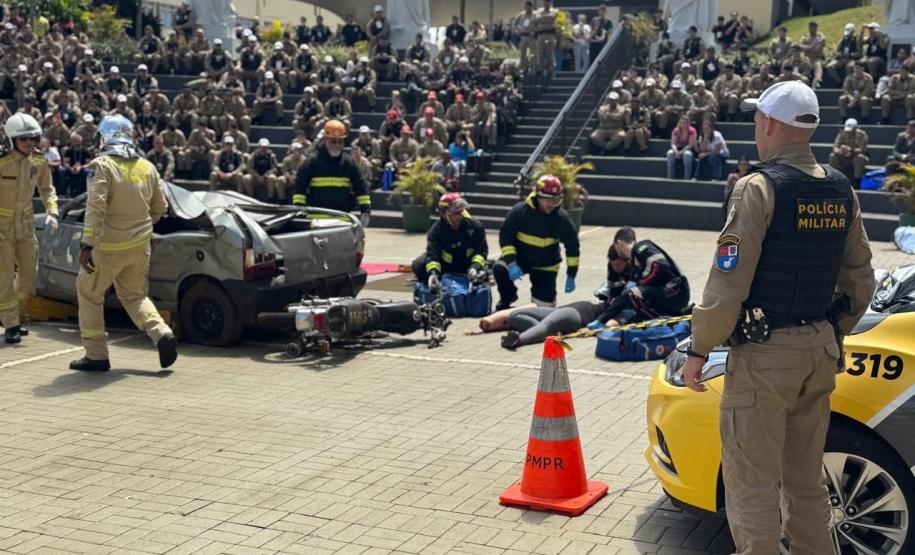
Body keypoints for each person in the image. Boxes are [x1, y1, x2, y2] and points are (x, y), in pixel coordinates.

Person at [682, 80, 874, 554]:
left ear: (769, 123)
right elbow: (861, 281)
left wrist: (699, 349)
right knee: (806, 482)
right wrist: (831, 332)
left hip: (765, 358)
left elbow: (728, 283)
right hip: (819, 351)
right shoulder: (840, 188)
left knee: (751, 485)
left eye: (756, 119)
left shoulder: (757, 188)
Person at [70, 115, 178, 372]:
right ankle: (161, 332)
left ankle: (96, 355)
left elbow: (95, 207)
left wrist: (87, 244)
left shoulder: (102, 165)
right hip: (140, 246)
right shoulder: (147, 166)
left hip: (107, 248)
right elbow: (160, 207)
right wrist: (140, 228)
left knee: (88, 293)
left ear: (104, 137)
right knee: (134, 296)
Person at [0, 114, 58, 344]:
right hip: (2, 229)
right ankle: (12, 323)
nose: (29, 144)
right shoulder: (2, 162)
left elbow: (47, 189)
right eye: (24, 139)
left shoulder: (39, 161)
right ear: (12, 140)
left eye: (33, 139)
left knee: (28, 274)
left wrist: (52, 210)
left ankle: (7, 311)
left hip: (25, 227)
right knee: (3, 278)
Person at [494, 174, 579, 309]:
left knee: (544, 309)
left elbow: (573, 246)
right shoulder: (520, 211)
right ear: (537, 196)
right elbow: (506, 237)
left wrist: (571, 274)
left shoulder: (562, 218)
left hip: (546, 265)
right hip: (520, 260)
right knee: (500, 269)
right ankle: (508, 297)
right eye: (547, 200)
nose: (551, 204)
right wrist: (511, 263)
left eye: (556, 200)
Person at [586, 226, 689, 328]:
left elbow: (661, 265)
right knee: (631, 297)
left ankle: (659, 321)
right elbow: (623, 297)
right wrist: (602, 319)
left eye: (616, 248)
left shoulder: (641, 248)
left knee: (633, 293)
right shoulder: (635, 261)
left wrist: (641, 283)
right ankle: (601, 321)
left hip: (676, 292)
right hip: (667, 294)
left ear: (619, 243)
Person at [293, 119, 371, 226]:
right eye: (333, 141)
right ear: (325, 140)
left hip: (342, 220)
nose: (337, 145)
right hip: (316, 221)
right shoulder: (312, 161)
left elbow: (361, 187)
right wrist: (299, 211)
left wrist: (365, 211)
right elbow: (299, 188)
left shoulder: (349, 162)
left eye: (340, 142)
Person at [412, 192, 488, 288]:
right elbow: (433, 256)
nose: (459, 216)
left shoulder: (475, 227)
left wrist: (475, 267)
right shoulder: (436, 231)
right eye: (455, 213)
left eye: (461, 212)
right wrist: (433, 274)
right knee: (419, 264)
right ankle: (431, 287)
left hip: (467, 266)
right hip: (446, 266)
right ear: (444, 213)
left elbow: (481, 252)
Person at [500, 300, 605, 350]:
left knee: (546, 324)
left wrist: (590, 329)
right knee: (515, 315)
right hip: (558, 310)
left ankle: (519, 340)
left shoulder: (611, 309)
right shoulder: (604, 300)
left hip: (574, 315)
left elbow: (611, 325)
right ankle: (543, 333)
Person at [828, 118, 869, 186]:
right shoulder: (841, 133)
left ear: (855, 128)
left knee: (860, 157)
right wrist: (840, 151)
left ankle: (857, 181)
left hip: (855, 157)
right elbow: (835, 147)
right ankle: (832, 179)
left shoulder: (862, 135)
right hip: (844, 156)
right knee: (832, 156)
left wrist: (851, 150)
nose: (848, 132)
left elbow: (862, 149)